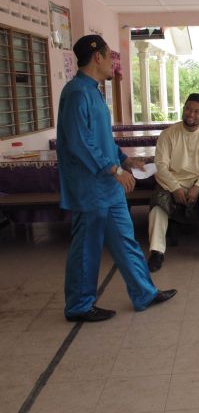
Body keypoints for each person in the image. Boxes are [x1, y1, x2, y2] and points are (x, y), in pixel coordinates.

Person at [57, 35, 176, 322]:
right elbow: (80, 142)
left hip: (108, 187)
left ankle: (144, 292)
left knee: (125, 240)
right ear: (97, 57)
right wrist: (114, 170)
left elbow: (102, 139)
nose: (114, 62)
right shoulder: (77, 93)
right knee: (87, 247)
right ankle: (79, 306)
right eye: (111, 56)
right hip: (90, 187)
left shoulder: (94, 91)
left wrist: (124, 160)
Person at [147, 93, 199, 271]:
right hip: (171, 181)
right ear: (183, 109)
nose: (191, 114)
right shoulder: (168, 134)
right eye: (188, 109)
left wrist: (198, 187)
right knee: (157, 208)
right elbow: (160, 166)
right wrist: (175, 188)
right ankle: (156, 251)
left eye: (197, 111)